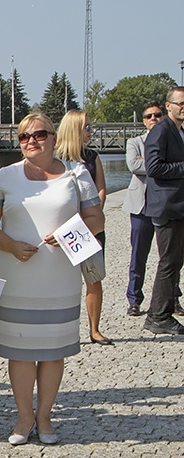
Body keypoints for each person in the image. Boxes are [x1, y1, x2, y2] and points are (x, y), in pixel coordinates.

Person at [0, 113, 103, 446]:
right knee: (20, 352)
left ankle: (45, 416)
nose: (31, 141)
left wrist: (67, 234)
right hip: (16, 275)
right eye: (23, 137)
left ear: (53, 137)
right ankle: (23, 418)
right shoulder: (4, 177)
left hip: (59, 277)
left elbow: (96, 217)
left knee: (52, 353)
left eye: (38, 135)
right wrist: (10, 245)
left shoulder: (77, 174)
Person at [55, 109, 111, 345]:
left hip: (88, 228)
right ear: (74, 129)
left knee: (93, 278)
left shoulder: (92, 157)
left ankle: (94, 329)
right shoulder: (54, 159)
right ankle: (59, 329)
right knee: (58, 280)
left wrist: (92, 214)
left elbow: (101, 189)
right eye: (87, 127)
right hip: (60, 228)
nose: (91, 131)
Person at [125, 102, 182, 317]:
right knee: (139, 254)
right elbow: (134, 165)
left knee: (170, 255)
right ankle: (134, 299)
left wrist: (152, 164)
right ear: (143, 120)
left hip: (165, 205)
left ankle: (172, 299)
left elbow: (146, 166)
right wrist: (162, 165)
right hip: (140, 206)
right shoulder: (134, 142)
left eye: (157, 115)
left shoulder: (173, 138)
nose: (153, 118)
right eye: (149, 116)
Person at [142, 86, 184, 335]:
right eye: (180, 103)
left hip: (177, 207)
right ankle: (158, 316)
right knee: (168, 262)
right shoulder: (161, 130)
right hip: (166, 207)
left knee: (175, 262)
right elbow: (154, 168)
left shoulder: (177, 131)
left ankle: (164, 312)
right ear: (168, 106)